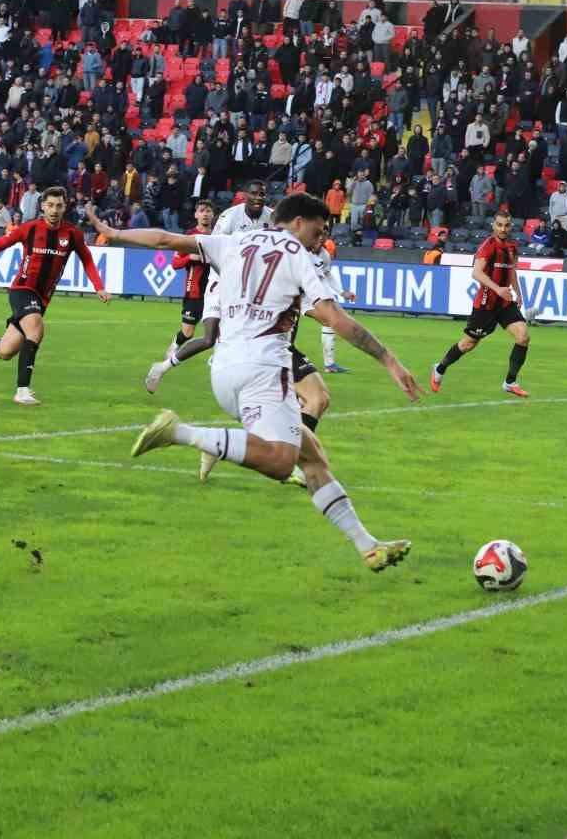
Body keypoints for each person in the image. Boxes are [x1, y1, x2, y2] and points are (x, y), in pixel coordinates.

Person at [86, 194, 420, 573]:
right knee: (282, 461)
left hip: (223, 369)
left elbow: (164, 239)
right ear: (297, 221)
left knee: (312, 457)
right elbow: (334, 318)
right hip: (264, 370)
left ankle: (367, 545)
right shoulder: (297, 253)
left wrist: (113, 232)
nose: (319, 239)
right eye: (318, 229)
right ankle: (180, 433)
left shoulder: (233, 242)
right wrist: (389, 360)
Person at [0, 187, 111, 406]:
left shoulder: (72, 233)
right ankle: (22, 390)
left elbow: (87, 260)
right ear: (42, 207)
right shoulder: (29, 229)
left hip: (42, 298)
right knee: (36, 327)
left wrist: (99, 287)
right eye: (50, 205)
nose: (54, 210)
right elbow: (1, 243)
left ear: (65, 207)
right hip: (22, 290)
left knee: (5, 351)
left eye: (59, 205)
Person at [430, 213, 532, 398]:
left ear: (510, 227)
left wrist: (518, 292)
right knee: (468, 343)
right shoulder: (488, 246)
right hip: (486, 304)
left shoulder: (511, 247)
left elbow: (512, 271)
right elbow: (476, 273)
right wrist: (498, 289)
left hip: (505, 303)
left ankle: (510, 382)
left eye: (507, 225)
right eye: (499, 225)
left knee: (523, 336)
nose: (503, 229)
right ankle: (440, 368)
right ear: (494, 225)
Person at [162, 199, 217, 382]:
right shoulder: (189, 237)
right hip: (194, 290)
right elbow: (175, 263)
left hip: (215, 290)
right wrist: (190, 258)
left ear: (213, 215)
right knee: (188, 332)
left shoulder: (218, 236)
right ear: (196, 215)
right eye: (202, 211)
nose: (206, 214)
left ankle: (217, 358)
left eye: (209, 211)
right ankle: (175, 345)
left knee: (222, 326)